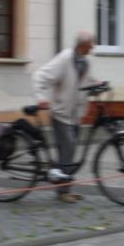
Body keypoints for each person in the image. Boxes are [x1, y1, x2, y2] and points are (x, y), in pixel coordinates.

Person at [32, 31, 97, 204]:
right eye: (91, 45)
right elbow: (40, 76)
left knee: (69, 152)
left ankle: (65, 188)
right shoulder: (65, 58)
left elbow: (85, 82)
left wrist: (97, 84)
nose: (93, 48)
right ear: (83, 45)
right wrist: (41, 97)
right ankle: (63, 192)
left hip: (75, 114)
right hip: (61, 113)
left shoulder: (85, 62)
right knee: (68, 150)